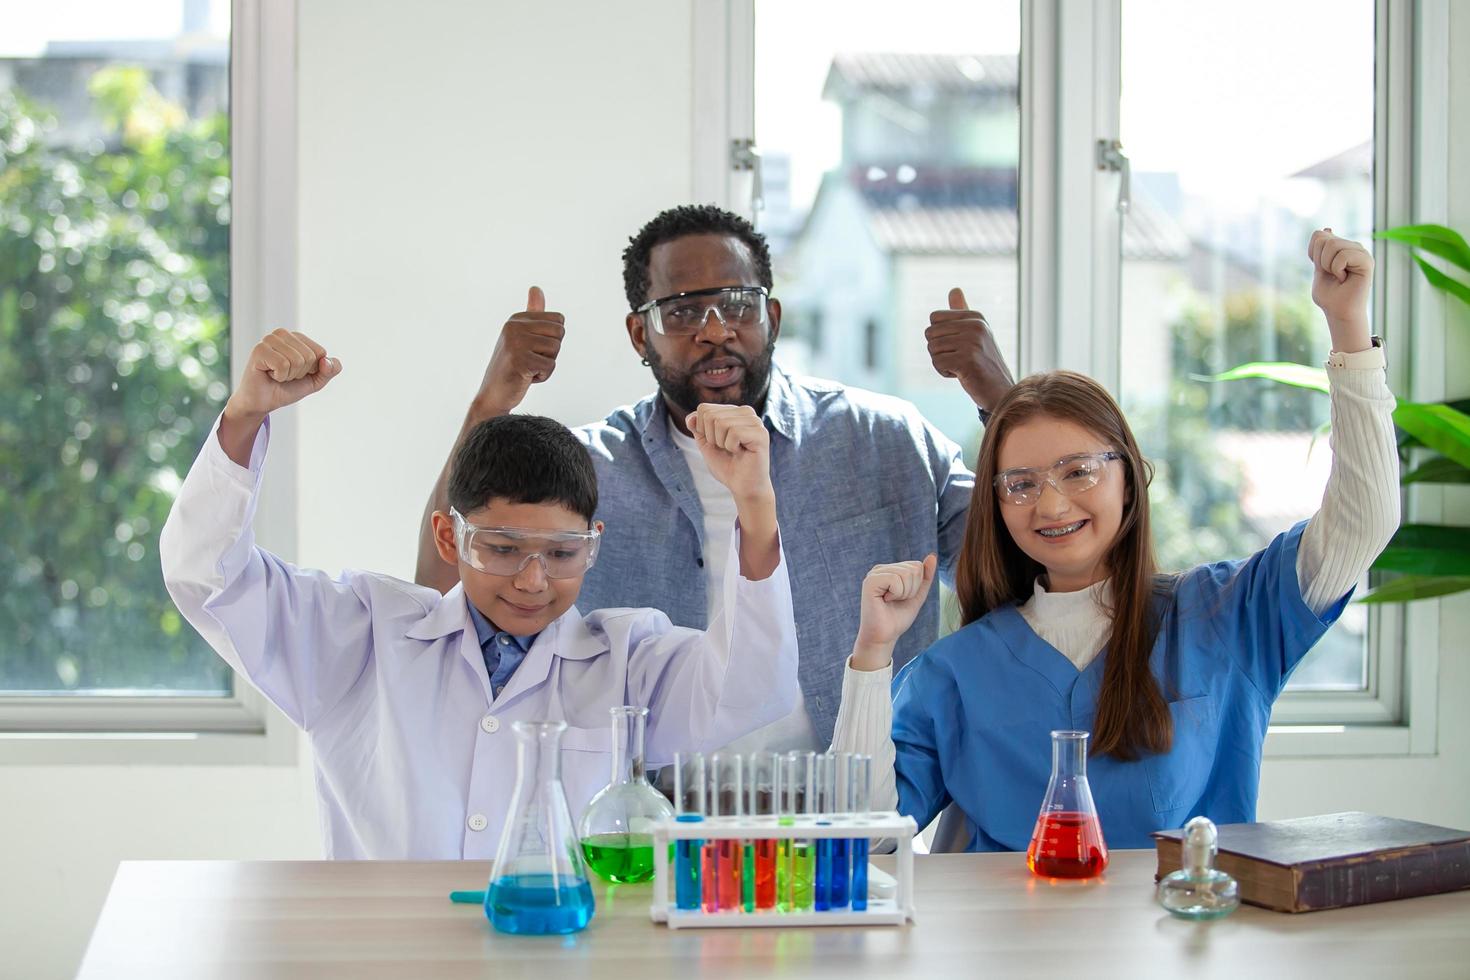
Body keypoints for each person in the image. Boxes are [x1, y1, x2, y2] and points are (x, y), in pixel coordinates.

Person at [831, 230, 1399, 851]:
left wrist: (1349, 329)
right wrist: (872, 653)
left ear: (1129, 478)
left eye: (1079, 471)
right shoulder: (956, 670)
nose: (1050, 504)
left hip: (1183, 938)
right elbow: (861, 839)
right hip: (1005, 947)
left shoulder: (1224, 615)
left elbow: (1362, 523)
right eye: (1019, 484)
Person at [160, 330, 799, 859]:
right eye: (501, 548)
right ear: (448, 536)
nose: (532, 580)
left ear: (593, 541)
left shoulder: (628, 658)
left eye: (561, 553)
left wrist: (754, 501)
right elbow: (209, 578)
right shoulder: (365, 635)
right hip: (389, 958)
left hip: (556, 957)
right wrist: (246, 415)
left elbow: (750, 687)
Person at [415, 204, 1015, 753]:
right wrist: (492, 402)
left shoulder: (886, 439)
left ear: (771, 318)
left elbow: (1025, 571)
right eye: (680, 312)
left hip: (849, 812)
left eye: (736, 304)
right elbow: (440, 592)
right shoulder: (586, 468)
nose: (714, 330)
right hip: (647, 822)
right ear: (638, 335)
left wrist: (1000, 397)